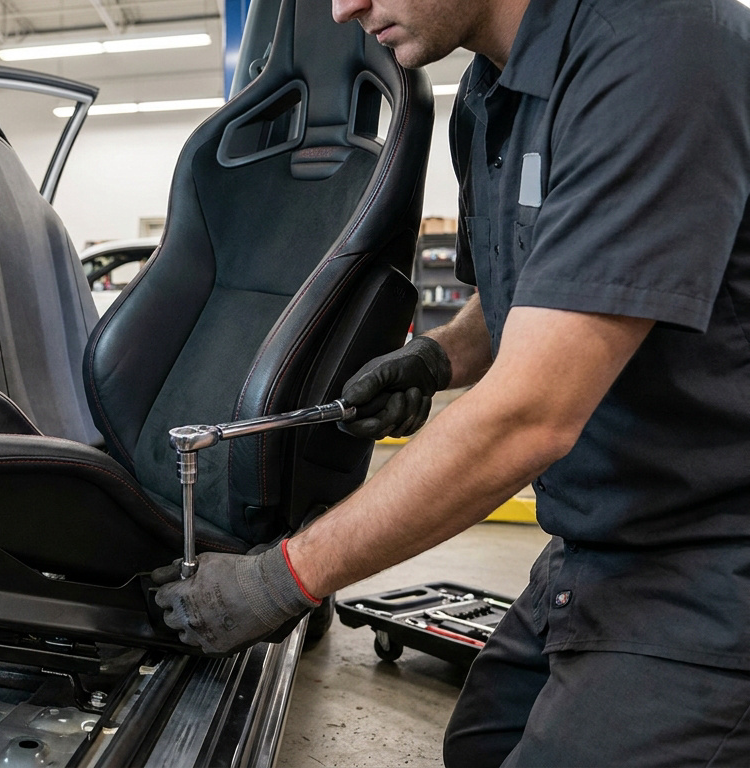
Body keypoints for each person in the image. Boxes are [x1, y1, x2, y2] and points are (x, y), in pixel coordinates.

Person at [153, 0, 750, 763]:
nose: (343, 8)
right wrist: (439, 357)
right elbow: (533, 289)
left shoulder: (661, 49)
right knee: (480, 748)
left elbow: (529, 414)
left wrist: (279, 582)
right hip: (601, 539)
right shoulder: (485, 95)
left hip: (717, 553)